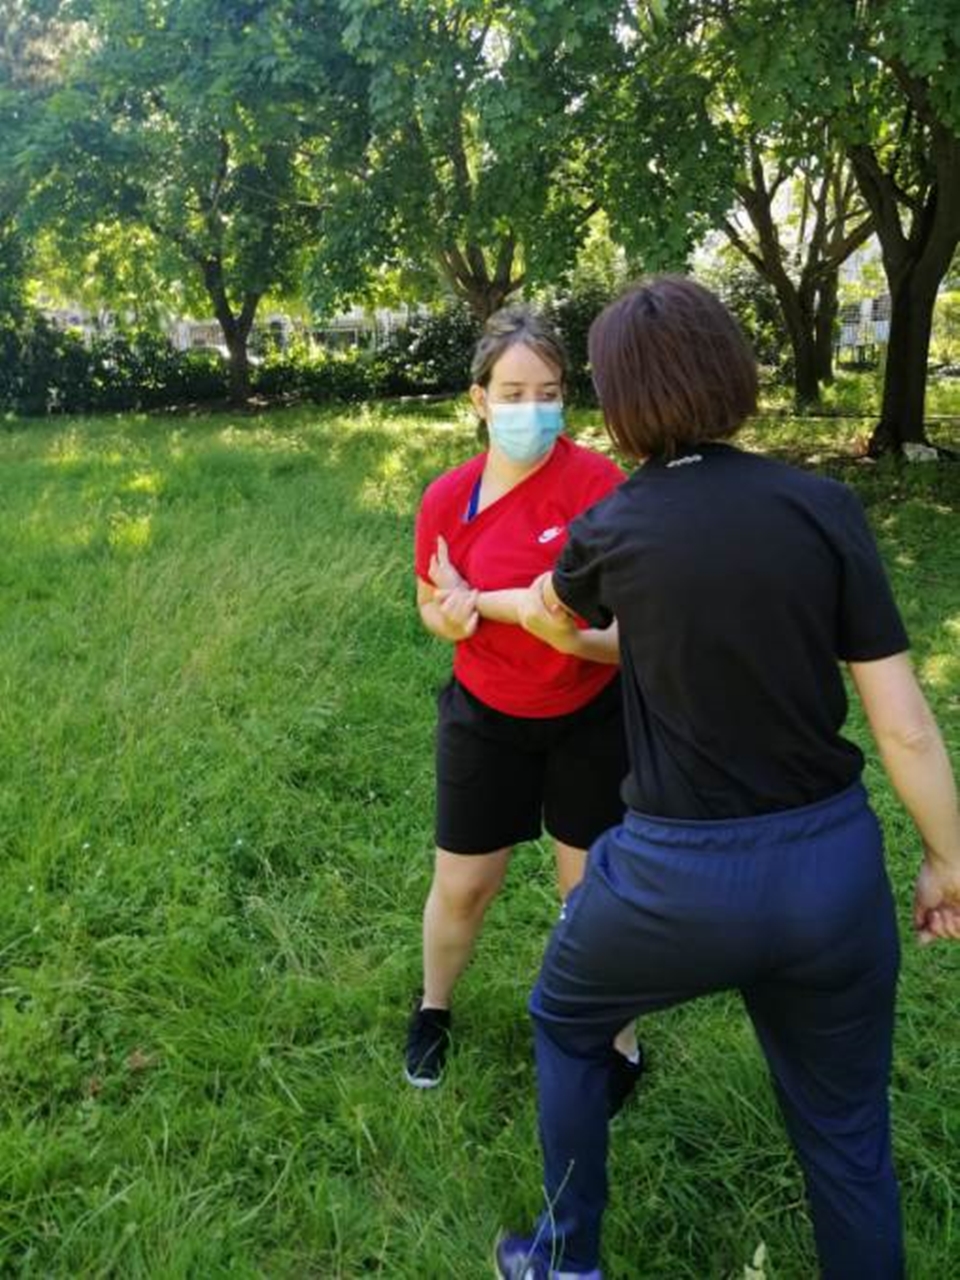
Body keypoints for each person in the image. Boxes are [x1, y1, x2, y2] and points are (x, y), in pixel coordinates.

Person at [495, 277, 960, 1280]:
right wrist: (947, 859)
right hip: (830, 871)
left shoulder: (611, 527)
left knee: (566, 1018)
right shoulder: (824, 506)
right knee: (846, 1136)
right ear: (734, 374)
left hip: (672, 879)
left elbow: (565, 621)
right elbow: (904, 725)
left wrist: (538, 611)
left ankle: (565, 1259)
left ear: (620, 399)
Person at [405, 306, 642, 1100]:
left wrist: (535, 621)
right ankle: (433, 1007)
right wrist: (448, 617)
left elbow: (631, 632)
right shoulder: (447, 498)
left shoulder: (599, 488)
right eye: (512, 394)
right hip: (485, 716)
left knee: (592, 898)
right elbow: (429, 602)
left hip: (591, 717)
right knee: (464, 885)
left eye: (548, 392)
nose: (531, 409)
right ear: (480, 400)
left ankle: (618, 1038)